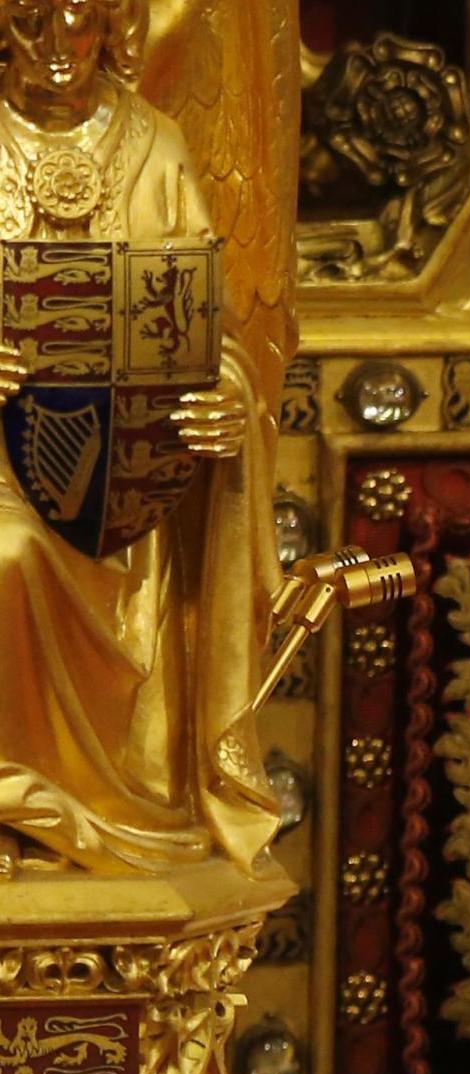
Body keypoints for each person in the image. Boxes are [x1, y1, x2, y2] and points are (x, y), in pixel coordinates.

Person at [0, 0, 273, 874]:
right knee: (9, 555)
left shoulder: (152, 145)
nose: (55, 51)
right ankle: (15, 804)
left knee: (92, 536)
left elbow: (207, 328)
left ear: (114, 28)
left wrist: (225, 401)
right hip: (2, 465)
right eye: (28, 24)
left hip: (122, 467)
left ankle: (103, 801)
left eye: (76, 25)